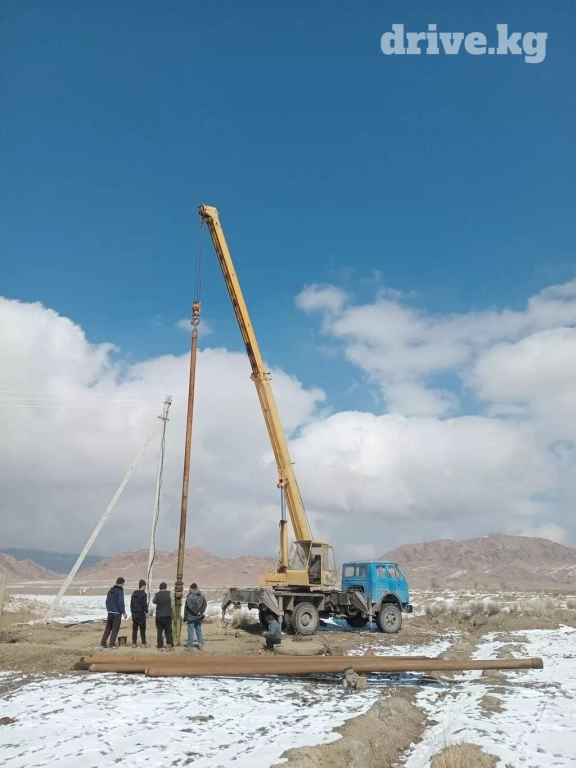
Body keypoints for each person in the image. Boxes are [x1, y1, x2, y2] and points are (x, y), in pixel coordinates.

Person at [101, 577, 127, 648]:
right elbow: (121, 603)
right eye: (123, 583)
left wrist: (109, 609)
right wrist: (123, 612)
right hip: (117, 613)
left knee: (108, 627)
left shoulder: (110, 590)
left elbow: (107, 601)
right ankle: (112, 644)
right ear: (122, 583)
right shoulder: (120, 592)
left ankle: (103, 642)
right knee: (115, 628)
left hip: (110, 612)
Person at [184, 582, 207, 651]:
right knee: (199, 630)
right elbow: (205, 605)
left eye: (190, 588)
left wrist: (196, 612)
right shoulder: (201, 596)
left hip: (191, 617)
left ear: (192, 588)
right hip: (199, 617)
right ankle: (200, 645)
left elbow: (189, 606)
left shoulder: (190, 596)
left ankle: (190, 647)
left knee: (191, 632)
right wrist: (200, 612)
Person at [153, 582, 174, 649]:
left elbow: (154, 601)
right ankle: (169, 645)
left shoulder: (156, 594)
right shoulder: (170, 593)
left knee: (159, 631)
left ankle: (160, 646)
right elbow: (172, 605)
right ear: (166, 587)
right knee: (168, 631)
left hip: (159, 615)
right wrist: (173, 614)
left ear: (160, 587)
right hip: (167, 615)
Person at [130, 579, 149, 648]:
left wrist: (132, 612)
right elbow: (144, 604)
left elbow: (131, 604)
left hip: (134, 613)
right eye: (145, 586)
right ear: (143, 586)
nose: (145, 587)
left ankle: (134, 643)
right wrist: (146, 612)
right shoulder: (144, 594)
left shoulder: (133, 594)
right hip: (141, 613)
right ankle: (143, 643)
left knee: (134, 629)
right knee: (142, 629)